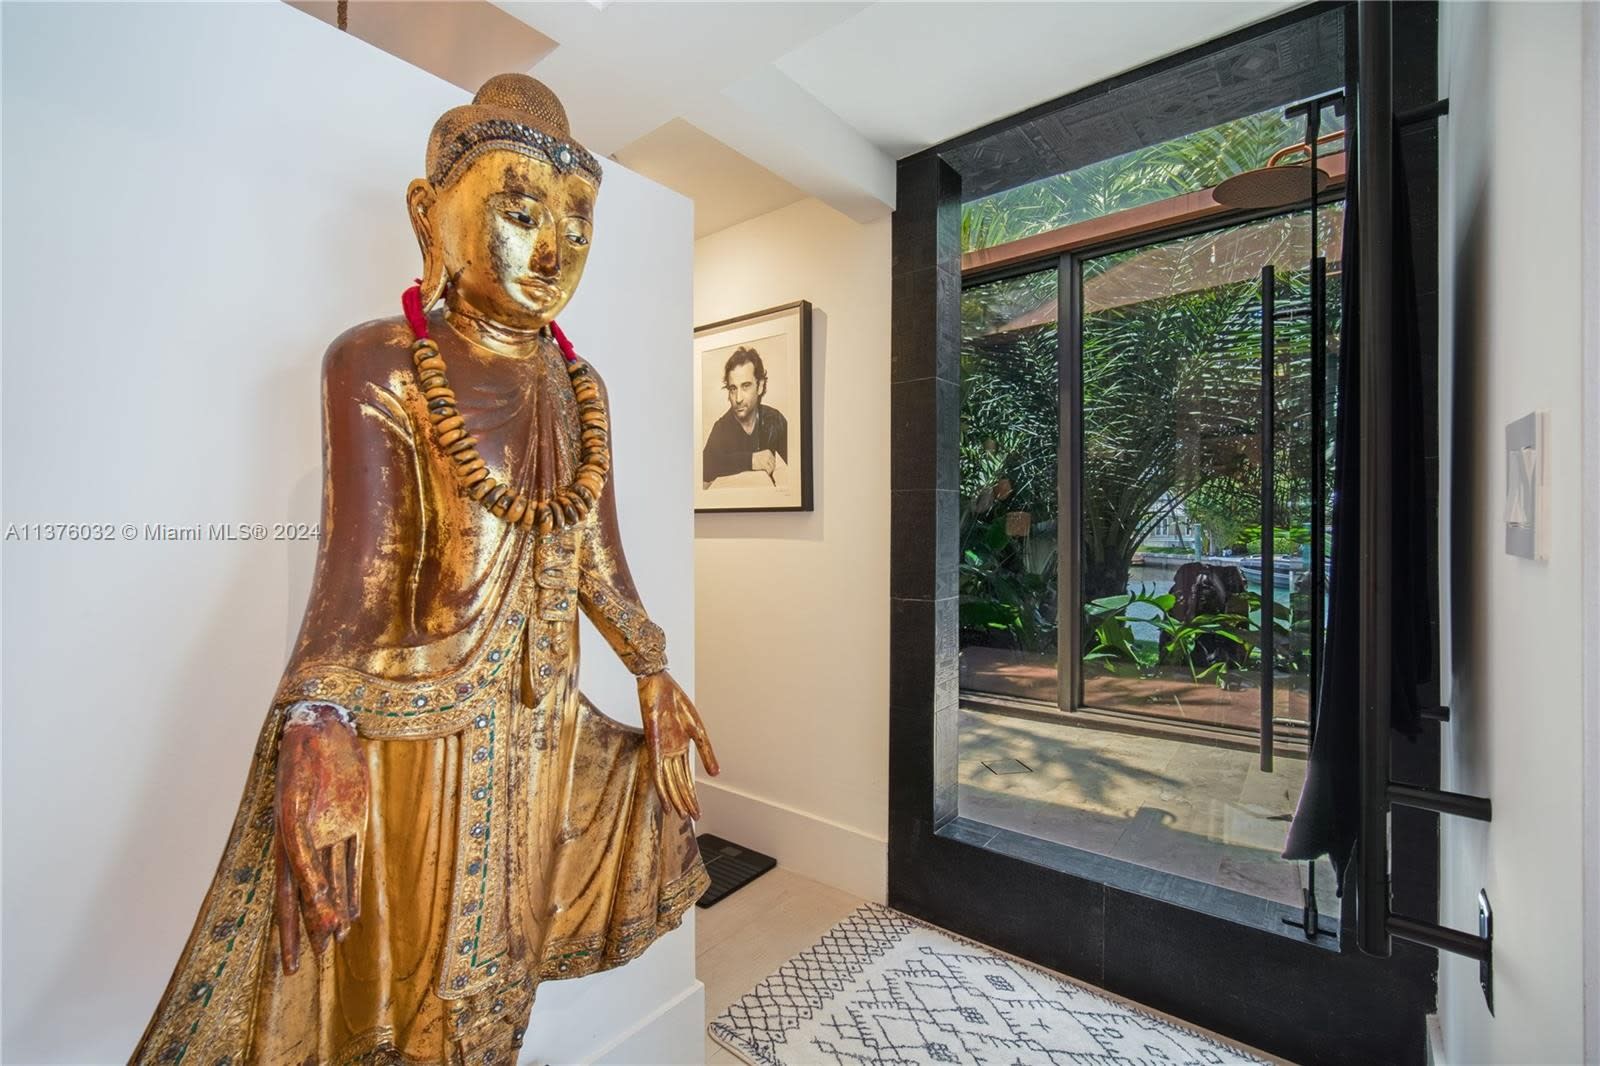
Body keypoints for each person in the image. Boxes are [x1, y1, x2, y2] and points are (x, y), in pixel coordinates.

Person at [135, 74, 718, 1065]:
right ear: (428, 213)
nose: (552, 252)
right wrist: (317, 721)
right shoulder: (380, 362)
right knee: (409, 981)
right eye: (520, 213)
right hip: (419, 726)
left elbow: (593, 552)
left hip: (542, 722)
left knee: (508, 968)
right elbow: (352, 571)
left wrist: (653, 670)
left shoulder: (579, 386)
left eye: (577, 225)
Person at [701, 346, 789, 486]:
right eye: (733, 389)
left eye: (746, 386)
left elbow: (799, 462)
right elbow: (705, 467)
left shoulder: (774, 420)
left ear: (760, 386)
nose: (738, 398)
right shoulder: (721, 428)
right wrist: (751, 460)